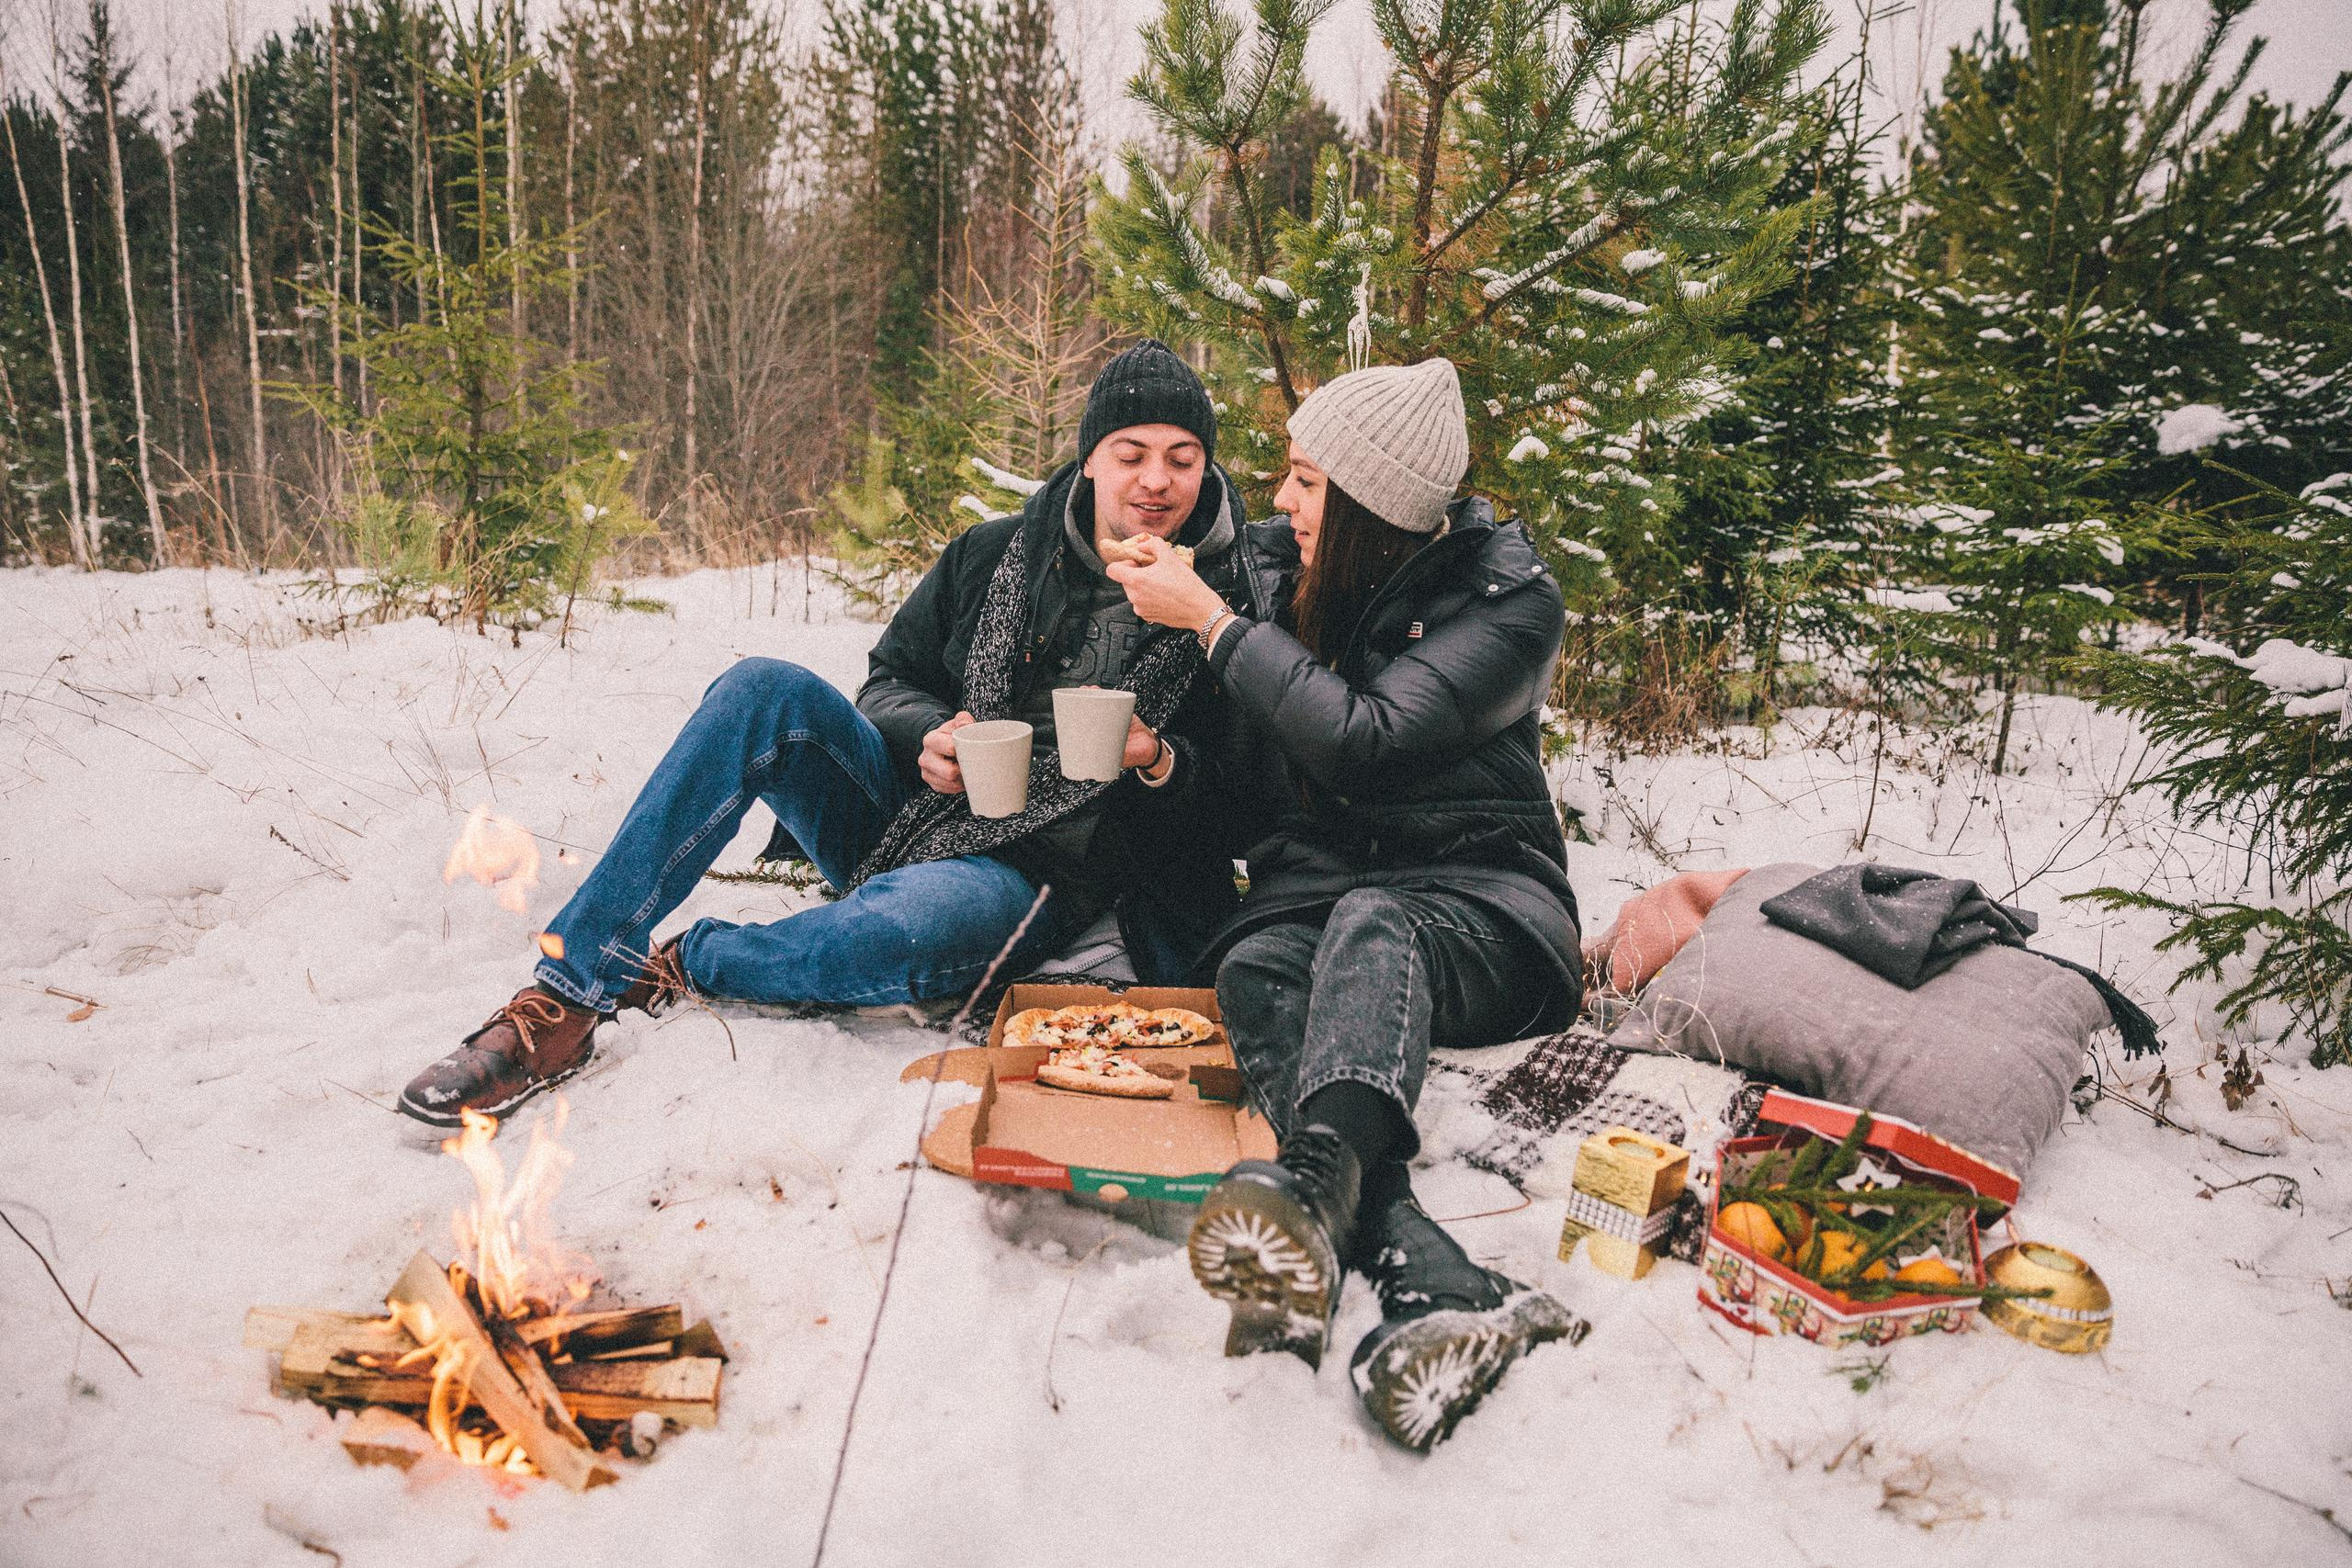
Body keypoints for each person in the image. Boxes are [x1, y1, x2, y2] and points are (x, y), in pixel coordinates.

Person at [400, 341, 1248, 1127]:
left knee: (886, 934)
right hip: (920, 815)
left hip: (1037, 875)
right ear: (1091, 456)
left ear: (1206, 467)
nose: (1156, 482)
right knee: (760, 688)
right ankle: (566, 991)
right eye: (1131, 454)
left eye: (1182, 459)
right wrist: (929, 734)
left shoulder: (1232, 600)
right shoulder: (996, 555)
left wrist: (1158, 759)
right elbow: (889, 679)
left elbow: (1248, 796)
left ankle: (697, 959)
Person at [1106, 357, 1585, 1452]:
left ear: (1369, 501)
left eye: (1306, 480)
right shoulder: (1277, 578)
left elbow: (1363, 741)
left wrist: (1218, 629)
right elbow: (1240, 796)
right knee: (1255, 965)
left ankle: (1316, 1182)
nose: (1279, 501)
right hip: (1325, 909)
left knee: (1375, 917)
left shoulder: (1509, 606)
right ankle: (1421, 1262)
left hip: (1486, 912)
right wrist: (1156, 762)